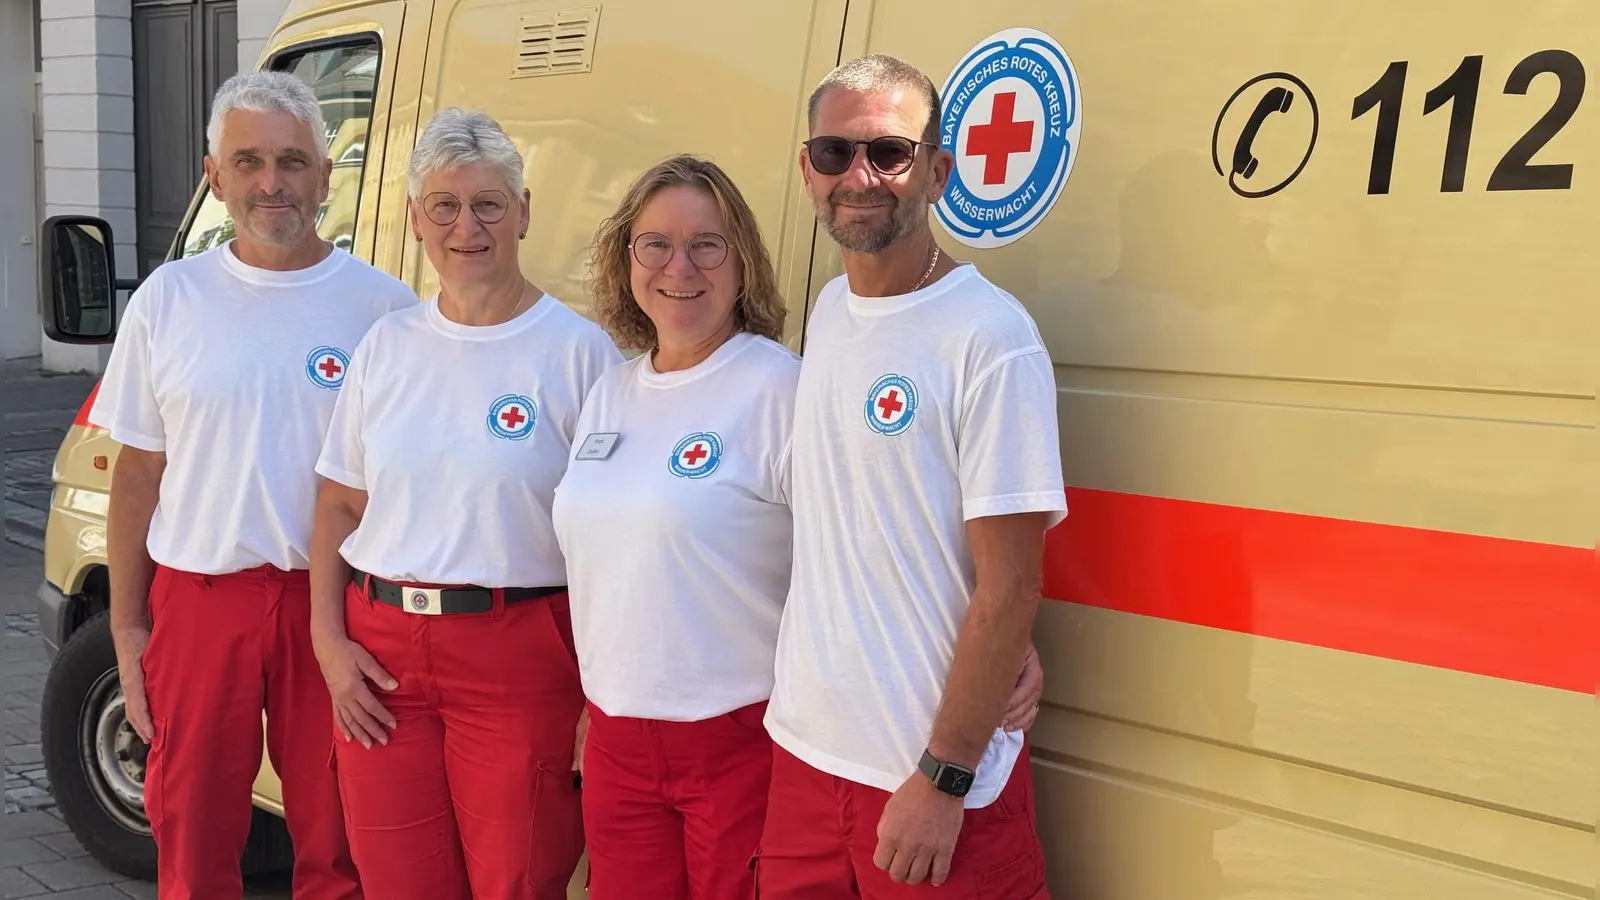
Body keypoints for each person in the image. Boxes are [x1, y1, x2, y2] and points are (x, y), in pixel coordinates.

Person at [551, 154, 1046, 900]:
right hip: (620, 745)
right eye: (654, 244)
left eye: (706, 245)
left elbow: (876, 521)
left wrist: (1008, 639)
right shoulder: (610, 391)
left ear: (741, 260)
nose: (678, 267)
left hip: (739, 740)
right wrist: (603, 702)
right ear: (626, 260)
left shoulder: (782, 385)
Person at [88, 70, 415, 900]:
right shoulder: (169, 300)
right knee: (191, 833)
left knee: (338, 840)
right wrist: (129, 629)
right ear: (215, 176)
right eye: (249, 162)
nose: (272, 183)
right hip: (201, 602)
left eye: (292, 161)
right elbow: (138, 473)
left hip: (336, 606)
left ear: (326, 174)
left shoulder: (385, 310)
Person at [758, 55, 1067, 899]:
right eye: (834, 154)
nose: (859, 177)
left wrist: (945, 777)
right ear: (807, 172)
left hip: (934, 787)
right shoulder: (827, 312)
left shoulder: (990, 337)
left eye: (888, 155)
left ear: (936, 172)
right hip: (806, 758)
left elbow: (1010, 586)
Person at [308, 107, 620, 900]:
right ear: (416, 219)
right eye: (444, 205)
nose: (466, 226)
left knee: (517, 880)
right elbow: (340, 506)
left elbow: (614, 543)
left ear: (523, 211)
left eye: (488, 203)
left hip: (520, 653)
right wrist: (329, 646)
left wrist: (602, 695)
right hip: (381, 658)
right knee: (397, 882)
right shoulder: (388, 346)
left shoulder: (580, 354)